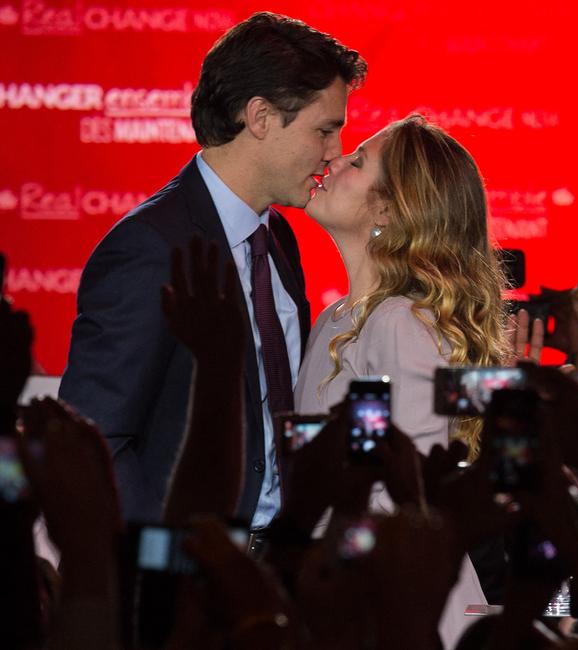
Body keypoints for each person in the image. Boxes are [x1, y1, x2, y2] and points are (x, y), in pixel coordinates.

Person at [58, 12, 367, 525]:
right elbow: (95, 439)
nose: (334, 154)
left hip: (273, 568)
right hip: (186, 580)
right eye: (324, 130)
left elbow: (274, 415)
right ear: (261, 117)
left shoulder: (279, 239)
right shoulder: (151, 248)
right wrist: (166, 563)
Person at [294, 114, 508, 647]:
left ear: (388, 208)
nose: (334, 159)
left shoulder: (400, 322)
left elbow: (412, 495)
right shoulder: (337, 319)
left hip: (399, 607)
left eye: (357, 161)